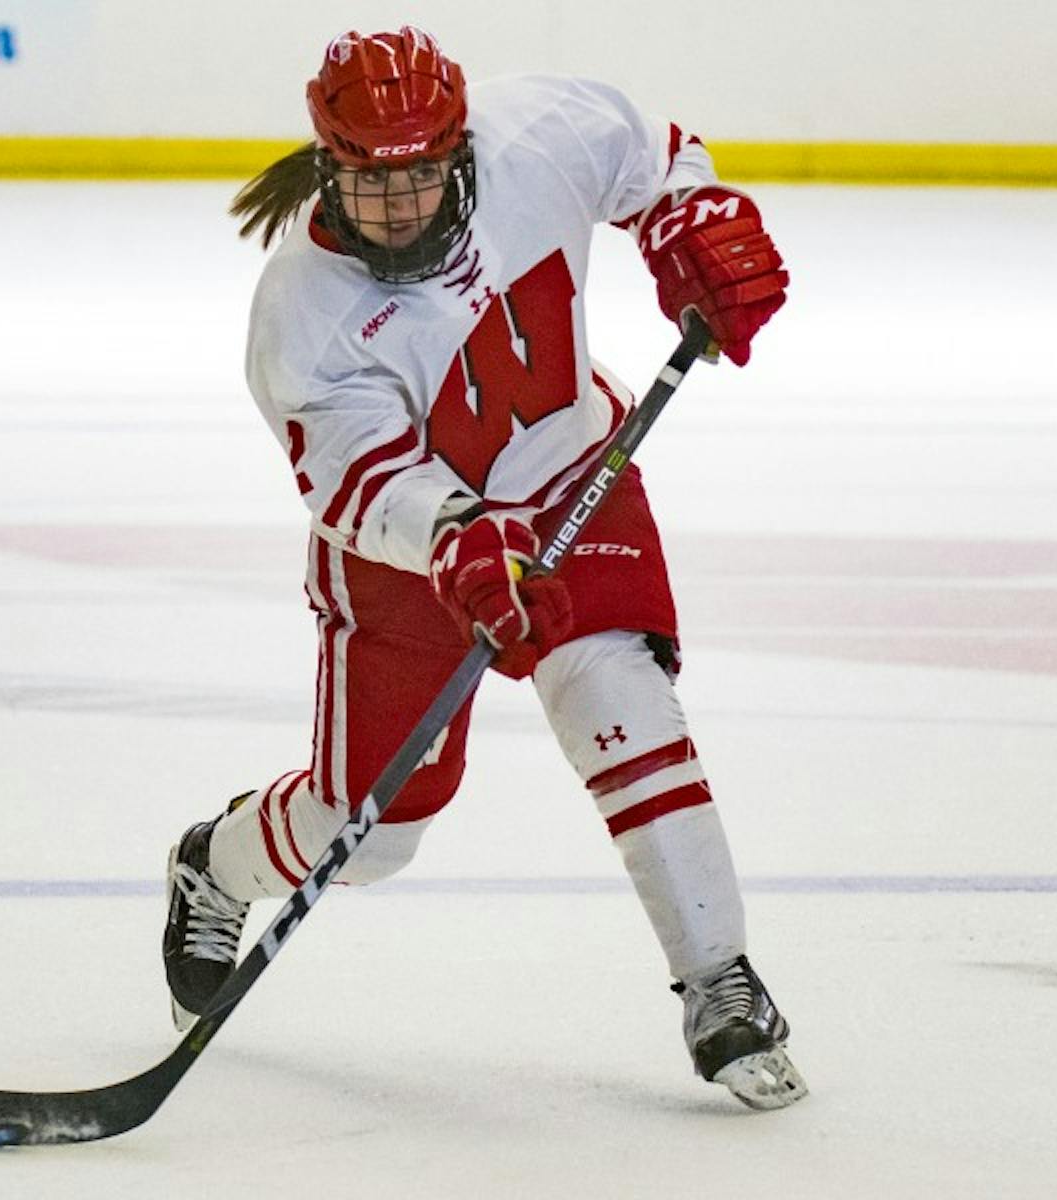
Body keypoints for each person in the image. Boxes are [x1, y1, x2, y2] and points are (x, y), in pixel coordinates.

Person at [159, 25, 803, 1110]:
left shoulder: (539, 130)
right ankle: (214, 865)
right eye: (371, 185)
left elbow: (657, 157)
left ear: (460, 149)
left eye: (418, 176)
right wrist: (457, 538)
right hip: (406, 563)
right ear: (328, 167)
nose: (399, 206)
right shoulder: (301, 314)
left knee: (620, 697)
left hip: (566, 471)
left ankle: (719, 983)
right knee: (372, 835)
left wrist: (689, 220)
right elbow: (362, 484)